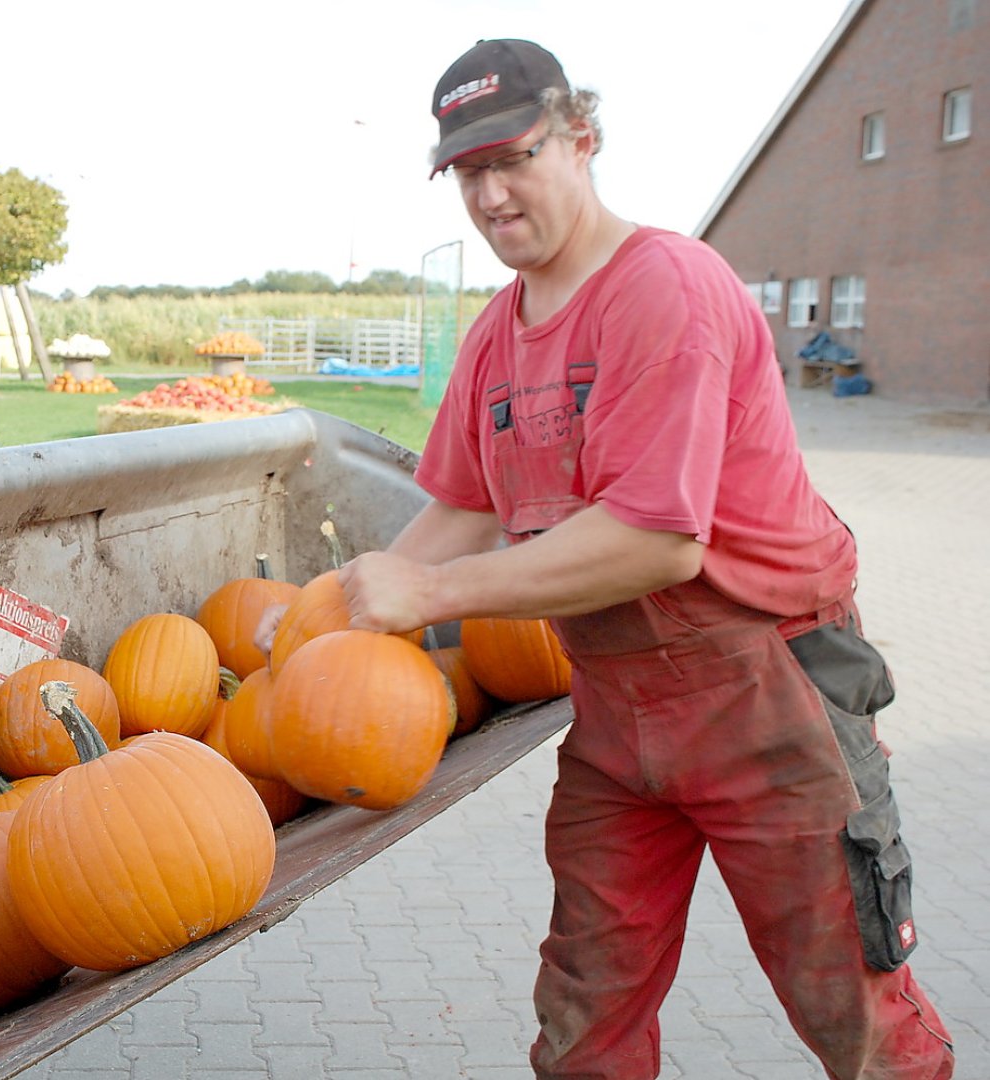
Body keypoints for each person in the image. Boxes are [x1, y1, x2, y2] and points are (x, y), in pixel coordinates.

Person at [270, 37, 956, 1080]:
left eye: (514, 159)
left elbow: (655, 540)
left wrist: (433, 595)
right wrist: (328, 621)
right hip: (616, 712)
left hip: (767, 690)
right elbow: (456, 505)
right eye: (467, 172)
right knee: (585, 1016)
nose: (491, 195)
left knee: (851, 1009)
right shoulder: (498, 334)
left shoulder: (664, 289)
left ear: (580, 138)